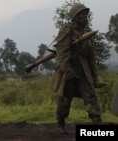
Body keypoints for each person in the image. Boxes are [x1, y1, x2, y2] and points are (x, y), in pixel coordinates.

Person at [49, 3, 102, 134]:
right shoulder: (67, 30)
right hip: (69, 71)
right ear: (75, 16)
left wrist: (94, 77)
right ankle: (60, 124)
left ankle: (99, 127)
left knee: (91, 98)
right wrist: (67, 71)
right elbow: (61, 54)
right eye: (82, 14)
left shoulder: (86, 32)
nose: (85, 17)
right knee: (65, 100)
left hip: (83, 71)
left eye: (86, 14)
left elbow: (91, 57)